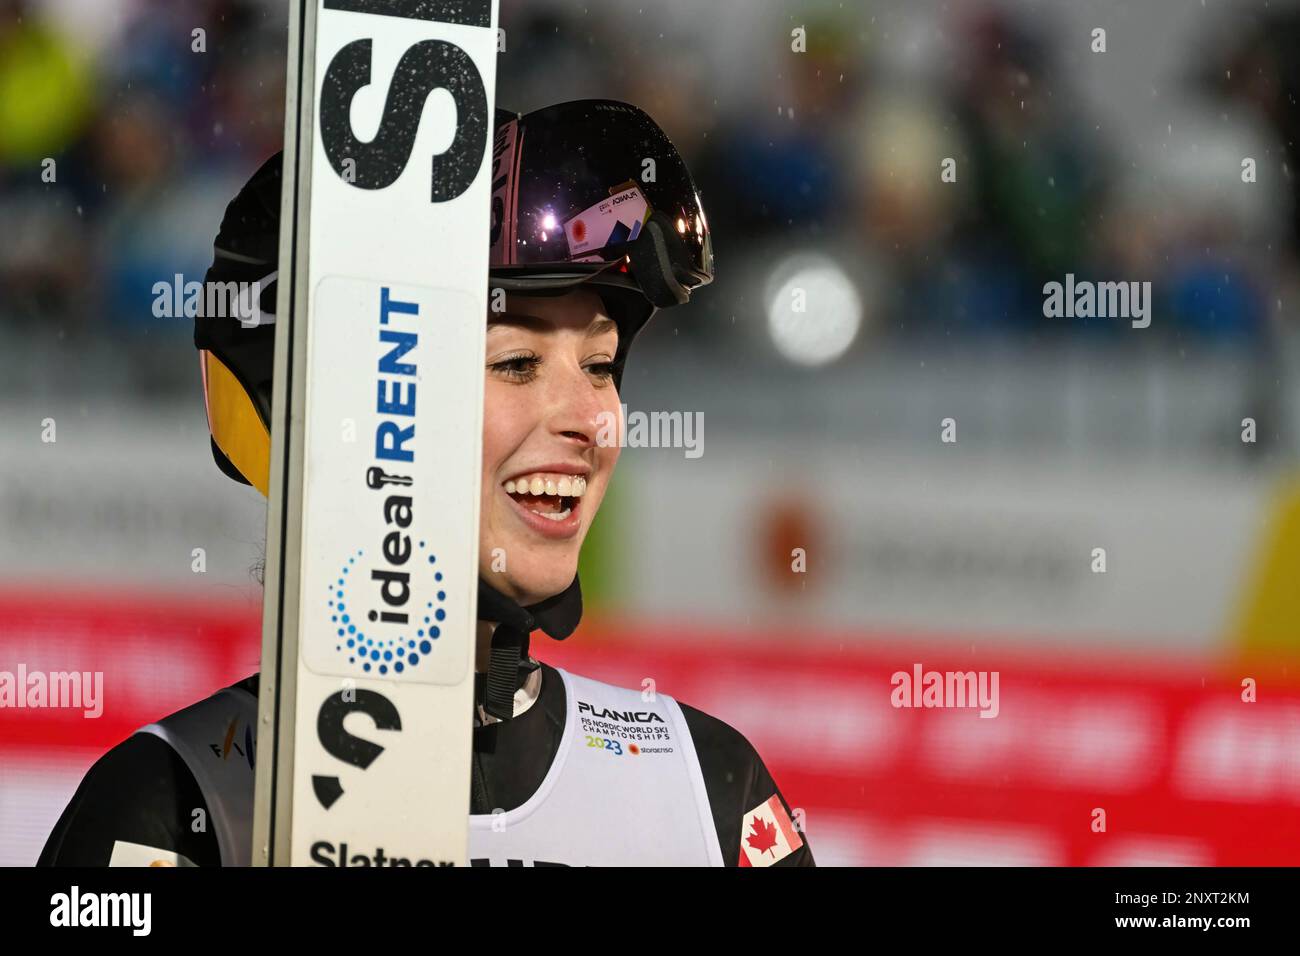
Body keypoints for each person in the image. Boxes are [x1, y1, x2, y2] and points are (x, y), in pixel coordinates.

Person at [39, 100, 813, 867]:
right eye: (516, 364)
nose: (592, 422)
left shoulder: (711, 795)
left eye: (601, 366)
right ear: (339, 407)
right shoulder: (171, 809)